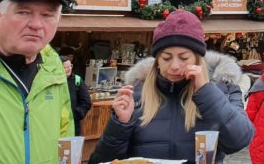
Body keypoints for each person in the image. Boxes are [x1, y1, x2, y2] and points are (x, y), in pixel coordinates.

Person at [89, 9, 255, 163]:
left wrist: (206, 92)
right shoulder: (136, 93)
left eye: (184, 58)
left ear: (198, 60)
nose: (174, 66)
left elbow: (239, 140)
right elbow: (101, 160)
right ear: (157, 62)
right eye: (166, 58)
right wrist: (120, 124)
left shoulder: (223, 88)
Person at [0, 0, 73, 164]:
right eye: (24, 12)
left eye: (47, 15)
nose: (36, 25)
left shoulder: (55, 73)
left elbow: (65, 137)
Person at [61, 55, 92, 136]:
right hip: (56, 124)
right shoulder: (53, 81)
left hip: (73, 125)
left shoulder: (77, 80)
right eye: (65, 67)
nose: (69, 69)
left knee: (70, 148)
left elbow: (86, 102)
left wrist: (77, 113)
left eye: (70, 66)